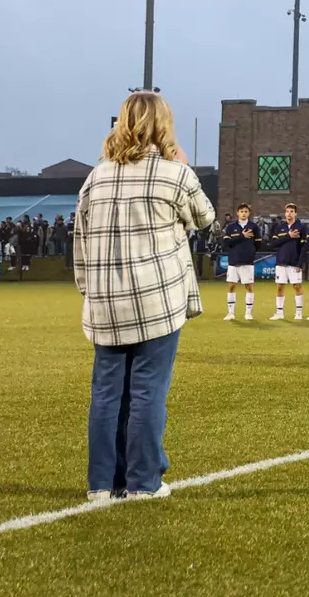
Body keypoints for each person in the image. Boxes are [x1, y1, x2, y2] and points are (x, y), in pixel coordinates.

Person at [76, 90, 214, 501]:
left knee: (106, 394)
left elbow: (80, 244)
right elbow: (205, 217)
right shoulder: (174, 173)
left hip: (105, 302)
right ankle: (143, 482)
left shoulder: (96, 176)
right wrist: (183, 166)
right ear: (163, 124)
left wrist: (91, 291)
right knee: (147, 391)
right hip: (156, 299)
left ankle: (103, 484)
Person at [221, 204, 259, 322]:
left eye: (246, 211)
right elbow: (227, 244)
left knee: (249, 287)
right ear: (237, 213)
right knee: (232, 286)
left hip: (247, 261)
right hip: (233, 261)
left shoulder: (254, 227)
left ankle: (248, 313)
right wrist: (242, 236)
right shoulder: (230, 227)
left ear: (249, 213)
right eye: (241, 211)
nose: (243, 213)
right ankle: (230, 313)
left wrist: (251, 252)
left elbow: (258, 244)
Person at [268, 203, 305, 321]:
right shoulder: (279, 228)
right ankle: (279, 313)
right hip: (281, 262)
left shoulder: (301, 228)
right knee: (280, 287)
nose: (289, 214)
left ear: (295, 213)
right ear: (285, 213)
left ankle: (298, 313)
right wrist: (288, 236)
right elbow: (273, 244)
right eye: (287, 211)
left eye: (291, 211)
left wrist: (300, 263)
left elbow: (304, 248)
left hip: (294, 263)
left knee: (297, 286)